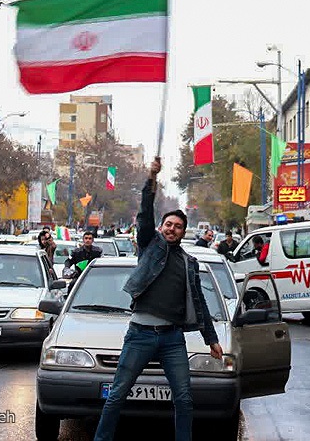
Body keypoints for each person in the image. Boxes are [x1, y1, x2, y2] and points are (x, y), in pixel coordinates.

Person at [94, 158, 221, 441]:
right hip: (139, 335)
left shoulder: (190, 262)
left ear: (183, 231)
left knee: (185, 400)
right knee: (117, 394)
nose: (171, 228)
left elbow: (199, 303)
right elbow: (144, 213)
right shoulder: (150, 246)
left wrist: (211, 339)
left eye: (177, 226)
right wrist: (151, 178)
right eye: (168, 224)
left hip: (173, 339)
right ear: (161, 227)